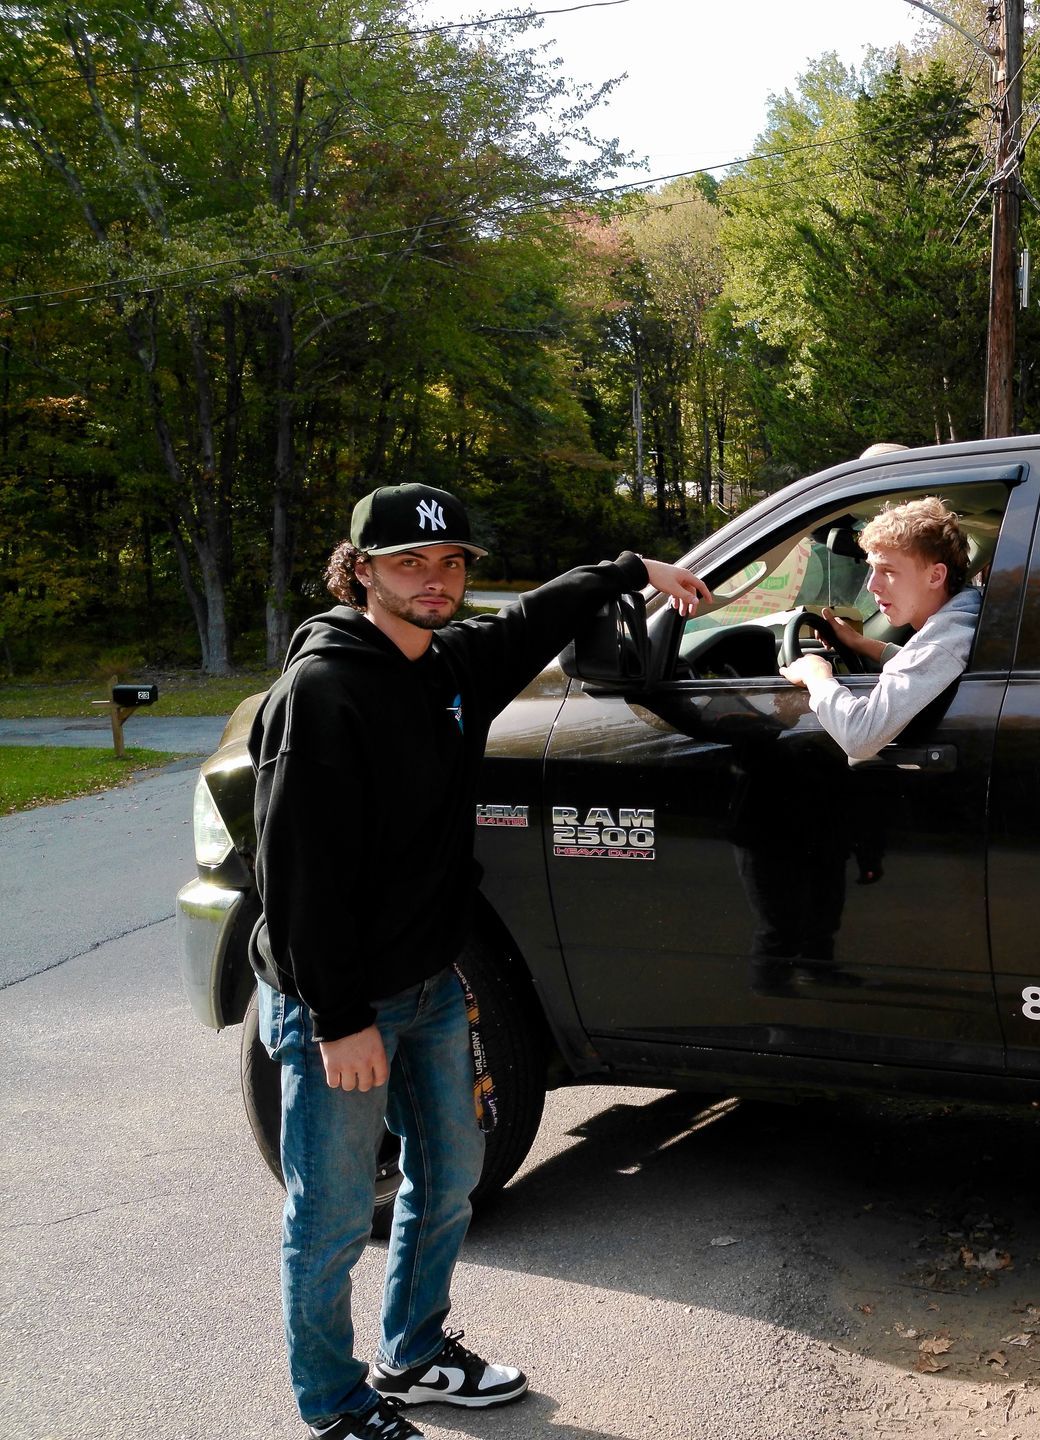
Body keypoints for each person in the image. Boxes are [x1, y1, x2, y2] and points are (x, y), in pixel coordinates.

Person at [248, 482, 708, 1440]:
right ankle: (331, 1405)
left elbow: (540, 617)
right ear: (360, 568)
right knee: (331, 1217)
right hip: (342, 1004)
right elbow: (296, 878)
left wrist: (631, 570)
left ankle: (412, 1354)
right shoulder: (324, 692)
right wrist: (338, 1019)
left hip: (431, 986)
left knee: (449, 1175)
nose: (436, 579)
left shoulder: (449, 666)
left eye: (452, 562)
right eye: (410, 563)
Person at [778, 495, 978, 761]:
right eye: (872, 568)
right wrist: (862, 644)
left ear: (935, 576)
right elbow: (928, 664)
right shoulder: (965, 612)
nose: (872, 585)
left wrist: (817, 676)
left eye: (888, 571)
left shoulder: (943, 641)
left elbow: (860, 737)